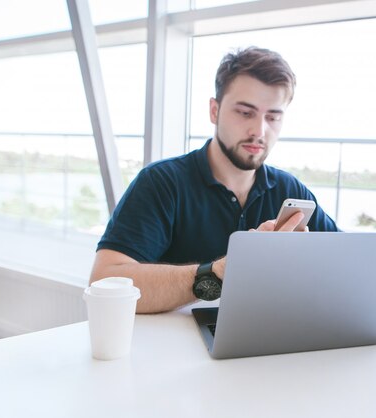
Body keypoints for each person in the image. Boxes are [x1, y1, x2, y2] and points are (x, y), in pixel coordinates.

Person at [90, 46, 338, 313]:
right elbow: (104, 282)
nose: (259, 130)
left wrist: (310, 260)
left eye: (273, 117)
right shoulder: (162, 182)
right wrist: (219, 273)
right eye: (245, 112)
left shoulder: (291, 191)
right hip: (170, 350)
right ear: (214, 110)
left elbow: (349, 264)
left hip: (264, 345)